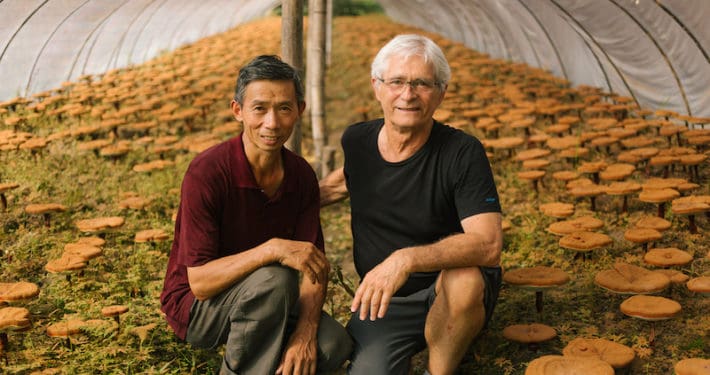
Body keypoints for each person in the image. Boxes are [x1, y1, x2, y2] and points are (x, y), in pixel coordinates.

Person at [319, 34, 503, 375]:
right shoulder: (357, 141)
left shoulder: (462, 152)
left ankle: (440, 367)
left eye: (422, 83)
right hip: (388, 299)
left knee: (465, 280)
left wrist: (406, 259)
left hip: (445, 287)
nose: (408, 94)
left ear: (441, 91)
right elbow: (341, 182)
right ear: (377, 86)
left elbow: (489, 245)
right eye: (397, 82)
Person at [160, 55, 352, 375]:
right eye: (259, 108)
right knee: (274, 279)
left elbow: (314, 267)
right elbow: (201, 283)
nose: (272, 123)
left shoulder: (300, 175)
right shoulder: (208, 172)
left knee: (332, 345)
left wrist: (304, 334)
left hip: (269, 299)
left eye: (284, 108)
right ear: (238, 110)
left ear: (300, 111)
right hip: (199, 306)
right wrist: (272, 249)